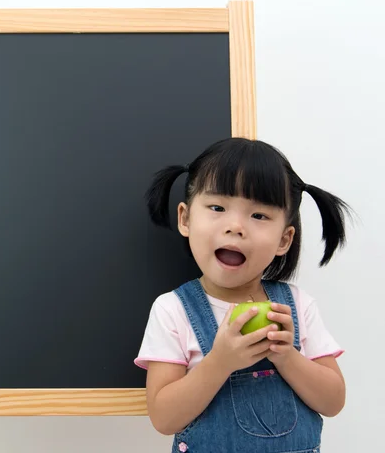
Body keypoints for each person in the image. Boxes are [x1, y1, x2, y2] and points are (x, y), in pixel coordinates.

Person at [134, 137, 352, 453]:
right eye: (218, 207)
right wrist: (220, 361)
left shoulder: (298, 306)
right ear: (185, 219)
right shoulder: (173, 310)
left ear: (284, 239)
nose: (236, 226)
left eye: (259, 216)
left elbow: (333, 402)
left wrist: (285, 355)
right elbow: (164, 418)